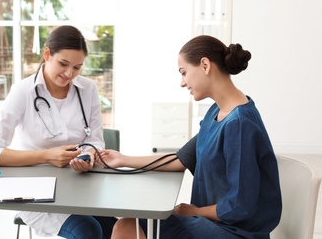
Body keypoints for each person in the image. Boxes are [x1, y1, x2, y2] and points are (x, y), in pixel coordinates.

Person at [97, 35, 282, 239]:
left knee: (126, 228)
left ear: (204, 65)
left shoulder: (239, 123)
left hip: (235, 232)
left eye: (184, 73)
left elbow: (239, 205)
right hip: (213, 224)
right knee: (127, 225)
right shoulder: (217, 112)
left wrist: (194, 211)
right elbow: (181, 159)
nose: (182, 83)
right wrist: (123, 159)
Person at [0, 25, 116, 238]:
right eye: (63, 64)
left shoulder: (88, 90)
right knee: (87, 230)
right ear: (47, 55)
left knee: (116, 227)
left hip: (79, 184)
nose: (69, 74)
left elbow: (95, 141)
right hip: (31, 189)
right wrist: (47, 156)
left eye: (77, 67)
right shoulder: (23, 91)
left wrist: (87, 156)